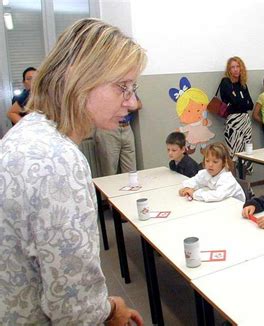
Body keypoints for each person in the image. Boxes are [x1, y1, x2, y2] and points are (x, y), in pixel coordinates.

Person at [0, 19, 144, 325]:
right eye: (123, 87)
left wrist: (104, 306)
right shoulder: (59, 162)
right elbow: (74, 308)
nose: (131, 102)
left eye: (133, 89)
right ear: (80, 78)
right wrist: (104, 313)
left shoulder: (30, 131)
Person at [219, 56, 254, 174]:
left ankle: (245, 185)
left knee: (246, 153)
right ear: (229, 70)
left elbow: (251, 105)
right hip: (233, 123)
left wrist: (240, 102)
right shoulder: (226, 82)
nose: (235, 69)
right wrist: (241, 102)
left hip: (245, 122)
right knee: (234, 154)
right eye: (232, 67)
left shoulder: (242, 84)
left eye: (237, 66)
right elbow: (236, 102)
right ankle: (234, 183)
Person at [179, 142, 245, 202]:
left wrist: (194, 194)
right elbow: (195, 181)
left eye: (215, 162)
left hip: (235, 208)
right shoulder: (205, 173)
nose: (210, 165)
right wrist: (186, 188)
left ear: (223, 162)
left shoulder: (227, 178)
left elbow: (217, 195)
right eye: (207, 161)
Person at [94, 95, 142, 176]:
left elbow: (139, 104)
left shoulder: (127, 89)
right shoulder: (104, 89)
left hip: (127, 127)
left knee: (131, 171)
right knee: (109, 171)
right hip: (109, 129)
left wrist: (123, 106)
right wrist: (128, 106)